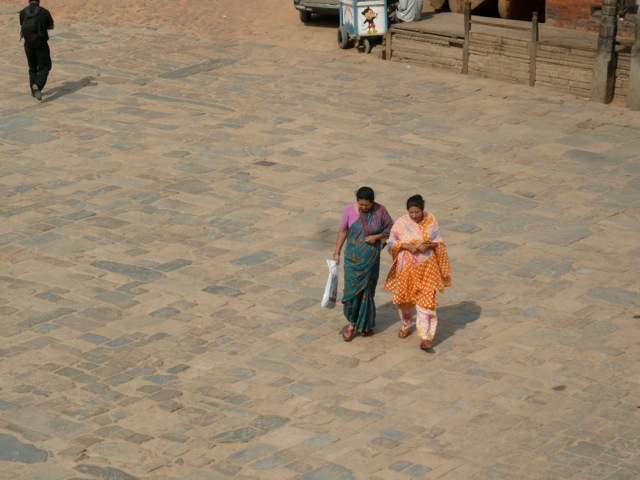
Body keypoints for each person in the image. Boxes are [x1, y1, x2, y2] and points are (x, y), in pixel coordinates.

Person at [384, 194, 451, 350]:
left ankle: (426, 337)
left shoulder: (431, 220)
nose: (414, 215)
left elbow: (438, 242)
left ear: (422, 210)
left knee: (427, 303)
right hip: (406, 269)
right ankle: (406, 324)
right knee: (404, 301)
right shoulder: (402, 222)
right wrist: (406, 246)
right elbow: (391, 242)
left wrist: (428, 246)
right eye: (411, 212)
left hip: (427, 269)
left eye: (417, 212)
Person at [333, 187, 393, 342]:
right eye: (361, 204)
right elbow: (343, 231)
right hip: (352, 260)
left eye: (367, 205)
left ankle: (359, 325)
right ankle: (353, 321)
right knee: (350, 292)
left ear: (372, 202)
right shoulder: (349, 210)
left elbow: (391, 229)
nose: (364, 207)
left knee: (367, 292)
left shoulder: (380, 211)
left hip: (370, 260)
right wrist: (336, 252)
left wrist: (377, 237)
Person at [19, 0, 54, 101]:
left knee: (32, 67)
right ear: (39, 1)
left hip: (28, 44)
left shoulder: (23, 12)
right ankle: (37, 85)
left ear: (28, 1)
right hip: (41, 44)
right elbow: (51, 26)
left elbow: (23, 26)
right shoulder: (44, 12)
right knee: (45, 66)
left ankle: (34, 91)